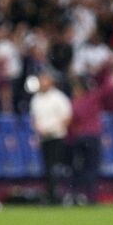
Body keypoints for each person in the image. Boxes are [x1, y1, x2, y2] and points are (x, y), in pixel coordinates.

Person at [28, 73, 71, 204]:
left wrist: (52, 129)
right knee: (47, 168)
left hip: (56, 137)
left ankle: (56, 195)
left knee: (54, 167)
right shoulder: (36, 99)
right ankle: (50, 194)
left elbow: (67, 117)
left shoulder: (58, 98)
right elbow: (33, 119)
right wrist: (38, 130)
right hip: (43, 138)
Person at [67, 77, 103, 204]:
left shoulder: (75, 103)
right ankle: (90, 196)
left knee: (78, 168)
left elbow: (72, 120)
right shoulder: (93, 99)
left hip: (80, 137)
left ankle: (76, 195)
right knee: (92, 168)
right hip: (93, 137)